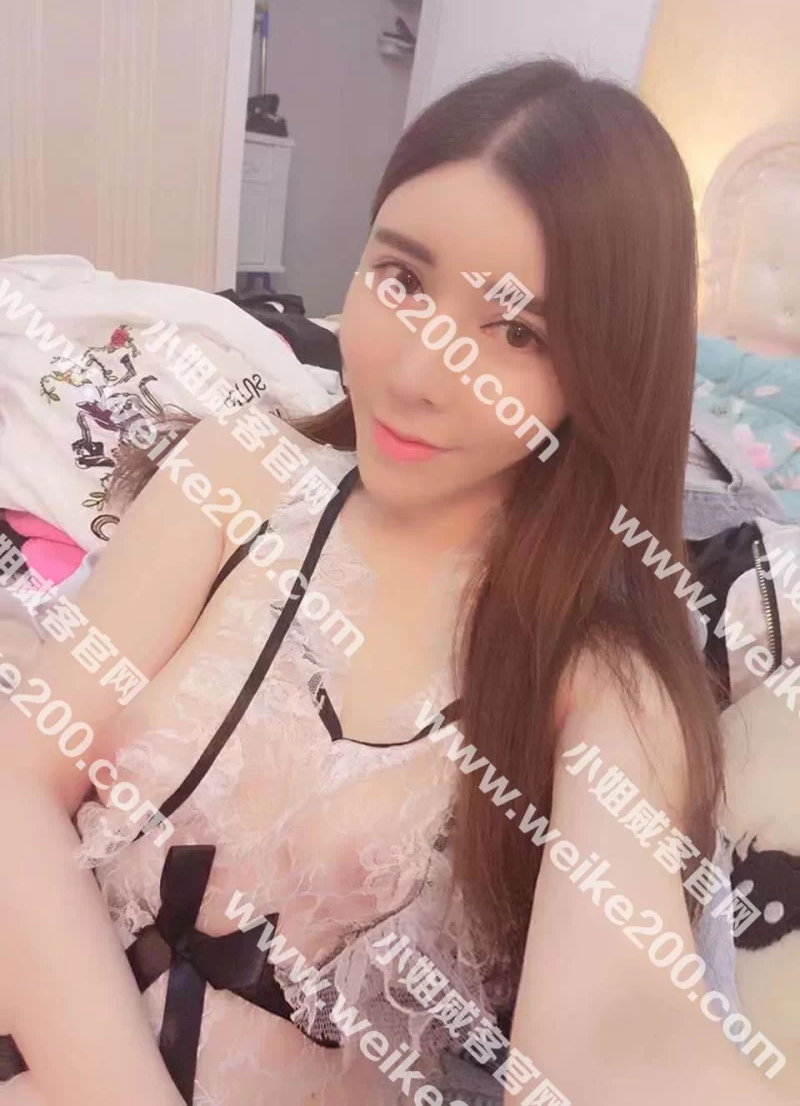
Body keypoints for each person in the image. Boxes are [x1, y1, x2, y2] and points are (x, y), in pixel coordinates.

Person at [0, 59, 791, 1106]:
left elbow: (616, 1015)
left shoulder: (598, 670)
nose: (417, 374)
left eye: (517, 332)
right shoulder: (240, 473)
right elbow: (19, 781)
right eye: (404, 281)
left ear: (603, 369)